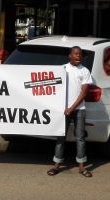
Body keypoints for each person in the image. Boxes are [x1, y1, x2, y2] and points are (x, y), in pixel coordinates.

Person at [47, 46, 93, 177]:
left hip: (79, 110)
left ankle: (82, 167)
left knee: (80, 138)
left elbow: (84, 93)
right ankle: (56, 165)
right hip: (63, 110)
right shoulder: (62, 69)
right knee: (61, 137)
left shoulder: (85, 71)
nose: (78, 56)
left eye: (80, 54)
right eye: (76, 54)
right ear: (70, 55)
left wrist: (71, 108)